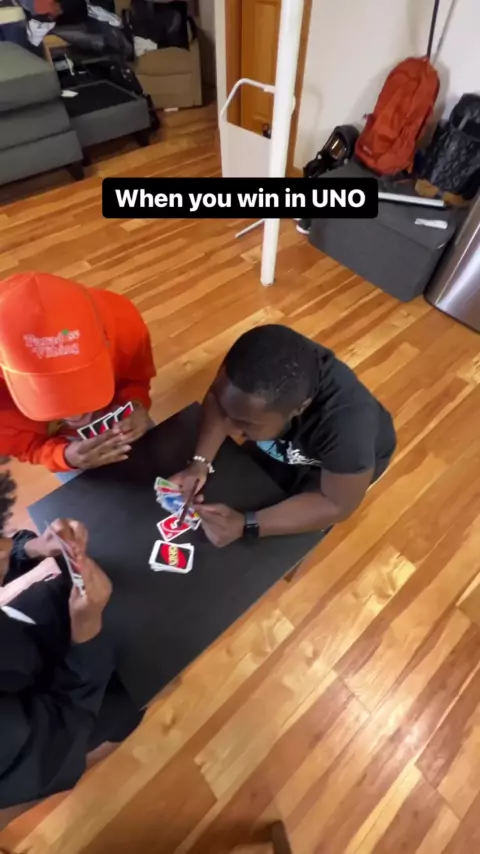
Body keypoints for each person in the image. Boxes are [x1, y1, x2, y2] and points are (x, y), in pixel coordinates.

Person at [0, 469, 143, 829]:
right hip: (49, 725)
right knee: (132, 699)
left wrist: (31, 549)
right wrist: (87, 626)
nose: (5, 546)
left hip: (23, 646)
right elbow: (64, 729)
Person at [172, 325, 396, 547]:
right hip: (287, 439)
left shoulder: (348, 431)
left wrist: (247, 525)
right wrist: (200, 463)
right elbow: (217, 399)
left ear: (300, 408)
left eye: (244, 423)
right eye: (226, 411)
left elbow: (336, 504)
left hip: (335, 471)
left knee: (283, 543)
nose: (229, 428)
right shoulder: (260, 365)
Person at [0, 272, 156, 476]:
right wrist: (63, 457)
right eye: (51, 392)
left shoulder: (122, 321)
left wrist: (136, 402)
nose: (77, 415)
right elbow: (25, 445)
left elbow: (136, 377)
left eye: (81, 380)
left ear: (106, 338)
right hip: (66, 448)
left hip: (124, 418)